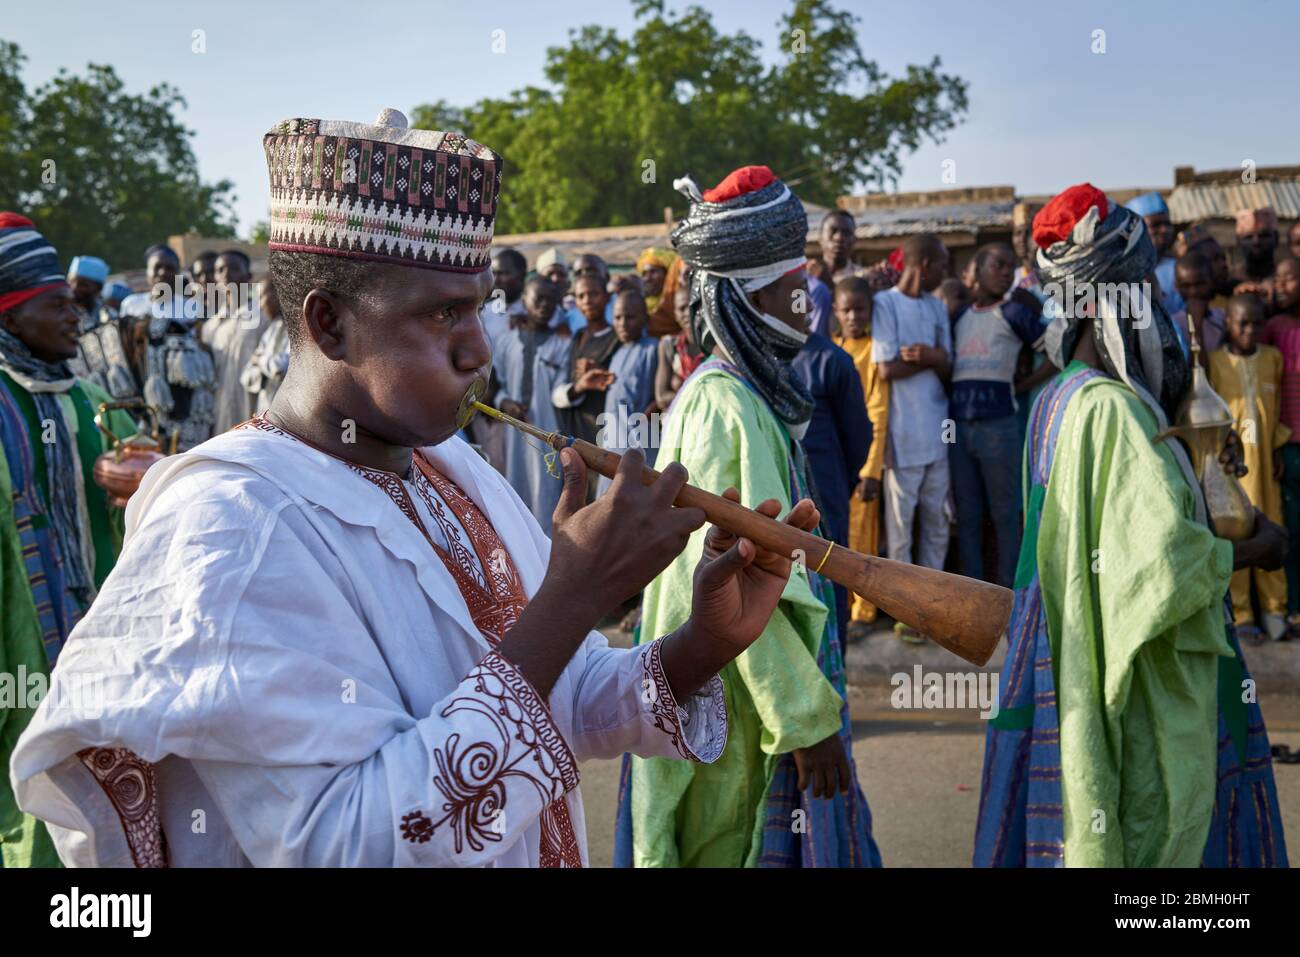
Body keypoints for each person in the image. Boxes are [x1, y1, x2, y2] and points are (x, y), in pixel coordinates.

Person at [8, 108, 820, 869]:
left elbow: (557, 699)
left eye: (478, 312)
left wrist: (697, 646)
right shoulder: (234, 528)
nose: (479, 352)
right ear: (329, 325)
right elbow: (347, 840)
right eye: (441, 317)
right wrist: (572, 598)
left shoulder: (451, 467)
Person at [974, 183, 1289, 868]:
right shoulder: (1115, 411)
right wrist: (1258, 548)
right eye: (1139, 285)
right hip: (1135, 688)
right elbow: (1160, 566)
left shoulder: (1058, 399)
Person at [617, 165, 881, 868]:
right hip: (742, 705)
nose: (809, 303)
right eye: (794, 288)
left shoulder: (744, 397)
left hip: (757, 695)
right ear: (747, 298)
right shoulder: (722, 406)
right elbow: (739, 577)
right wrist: (802, 718)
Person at [0, 213, 136, 867]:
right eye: (56, 305)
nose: (75, 317)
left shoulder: (87, 399)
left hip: (91, 651)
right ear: (10, 316)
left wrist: (141, 480)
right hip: (16, 653)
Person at [949, 242, 1041, 588]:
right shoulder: (959, 315)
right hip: (957, 430)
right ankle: (974, 596)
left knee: (1005, 515)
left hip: (999, 428)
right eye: (998, 265)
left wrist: (1024, 384)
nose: (1006, 273)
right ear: (976, 269)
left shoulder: (1016, 314)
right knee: (969, 516)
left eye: (1010, 267)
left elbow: (1054, 353)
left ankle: (1012, 597)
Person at [873, 233, 952, 631]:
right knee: (901, 527)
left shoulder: (937, 308)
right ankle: (905, 609)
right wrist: (931, 358)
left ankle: (933, 607)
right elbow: (886, 367)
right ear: (923, 266)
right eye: (941, 264)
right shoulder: (884, 303)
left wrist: (931, 356)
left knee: (937, 520)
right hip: (902, 436)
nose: (946, 272)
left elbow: (948, 364)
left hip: (937, 433)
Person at [1209, 294, 1290, 641]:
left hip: (1266, 467)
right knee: (1238, 534)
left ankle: (1276, 610)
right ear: (1228, 323)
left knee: (1273, 530)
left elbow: (1280, 409)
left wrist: (1278, 451)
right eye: (1242, 322)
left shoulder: (1272, 359)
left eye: (1257, 323)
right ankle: (1241, 613)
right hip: (1231, 472)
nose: (1250, 330)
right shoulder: (1215, 363)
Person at [791, 311, 869, 646]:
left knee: (829, 568)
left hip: (826, 490)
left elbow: (859, 436)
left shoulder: (833, 360)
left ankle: (835, 676)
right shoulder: (761, 358)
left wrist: (841, 481)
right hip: (778, 490)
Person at [831, 277, 888, 636]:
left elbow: (878, 412)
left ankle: (862, 611)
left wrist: (871, 470)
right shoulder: (832, 349)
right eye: (846, 310)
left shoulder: (874, 351)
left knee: (863, 535)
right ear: (836, 312)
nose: (853, 317)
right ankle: (840, 606)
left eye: (860, 309)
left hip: (862, 460)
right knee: (836, 536)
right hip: (835, 460)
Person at [494, 276, 572, 533]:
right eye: (538, 298)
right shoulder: (506, 341)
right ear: (524, 301)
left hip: (547, 434)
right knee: (511, 493)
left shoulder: (562, 343)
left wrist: (577, 388)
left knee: (546, 496)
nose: (545, 305)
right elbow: (498, 383)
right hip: (512, 433)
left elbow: (561, 391)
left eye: (551, 300)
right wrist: (503, 401)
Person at [119, 245, 215, 451]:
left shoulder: (192, 307)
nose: (163, 272)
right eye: (157, 267)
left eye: (170, 268)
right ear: (147, 271)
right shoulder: (131, 304)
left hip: (180, 397)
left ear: (178, 273)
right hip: (139, 392)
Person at [1260, 257, 1300, 637]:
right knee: (1291, 527)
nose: (1282, 285)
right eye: (1279, 279)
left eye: (1290, 279)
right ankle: (1292, 607)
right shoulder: (1273, 327)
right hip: (1287, 444)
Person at [597, 289, 659, 497]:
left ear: (645, 318)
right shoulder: (617, 354)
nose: (623, 323)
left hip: (642, 447)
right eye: (617, 317)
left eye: (630, 317)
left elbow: (661, 396)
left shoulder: (653, 350)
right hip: (612, 446)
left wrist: (654, 408)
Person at [551, 274, 619, 456]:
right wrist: (579, 386)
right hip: (577, 427)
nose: (587, 301)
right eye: (581, 296)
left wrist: (603, 372)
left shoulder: (617, 337)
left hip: (603, 425)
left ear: (606, 297)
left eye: (593, 294)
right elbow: (563, 385)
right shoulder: (578, 336)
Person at [201, 249, 265, 434]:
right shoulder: (210, 327)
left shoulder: (263, 317)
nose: (226, 275)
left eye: (234, 269)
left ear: (249, 277)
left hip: (255, 418)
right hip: (218, 419)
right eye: (220, 270)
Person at [65, 255, 137, 399]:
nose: (74, 288)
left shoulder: (110, 317)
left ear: (98, 288)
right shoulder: (64, 318)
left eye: (82, 284)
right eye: (71, 282)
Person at [653, 268, 702, 412]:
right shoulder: (669, 346)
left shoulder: (713, 345)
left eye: (690, 306)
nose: (687, 313)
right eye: (681, 309)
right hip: (677, 426)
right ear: (674, 314)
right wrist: (701, 398)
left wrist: (677, 395)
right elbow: (661, 397)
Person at [1125, 192, 1182, 314]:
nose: (1164, 230)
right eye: (1156, 225)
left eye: (1167, 224)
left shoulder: (1178, 268)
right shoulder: (1125, 272)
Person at [239, 280, 288, 415]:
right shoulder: (272, 329)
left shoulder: (298, 329)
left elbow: (280, 366)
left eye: (262, 297)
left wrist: (260, 361)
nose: (260, 305)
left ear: (279, 295)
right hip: (266, 411)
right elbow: (247, 374)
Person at [1171, 250, 1226, 363]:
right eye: (1186, 286)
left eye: (1200, 284)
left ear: (1212, 281)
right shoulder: (1173, 324)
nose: (1193, 292)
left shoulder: (1223, 318)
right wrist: (1196, 326)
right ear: (1176, 286)